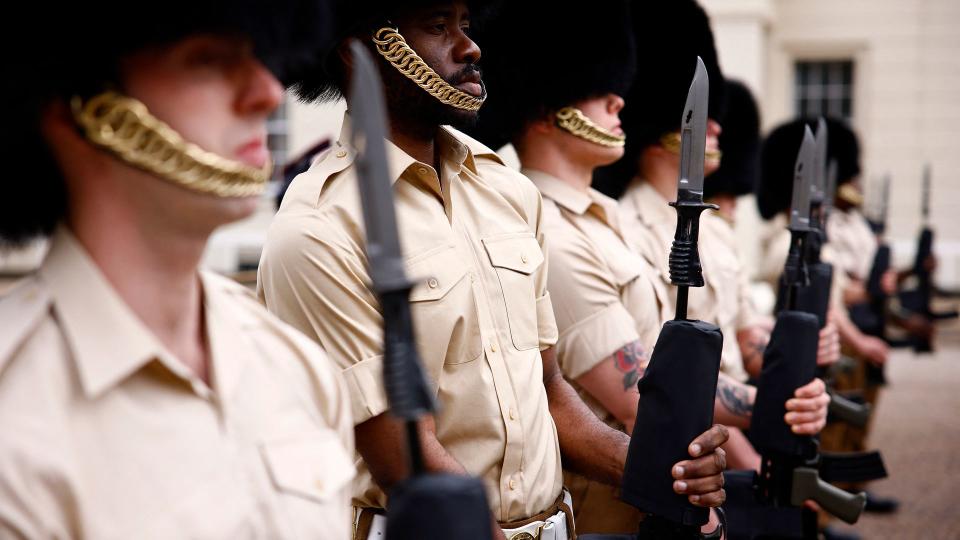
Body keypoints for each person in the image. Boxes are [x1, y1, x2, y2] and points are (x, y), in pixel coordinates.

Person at [257, 1, 729, 538]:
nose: (469, 47)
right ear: (359, 51)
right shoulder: (318, 228)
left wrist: (656, 468)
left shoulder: (507, 190)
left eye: (466, 25)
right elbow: (402, 456)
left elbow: (548, 390)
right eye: (438, 27)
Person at [470, 2, 831, 534]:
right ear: (545, 107)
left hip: (670, 486)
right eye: (597, 87)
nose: (620, 97)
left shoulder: (607, 220)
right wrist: (774, 403)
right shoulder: (553, 232)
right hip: (615, 507)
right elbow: (642, 391)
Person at [0, 2, 357, 538]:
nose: (267, 92)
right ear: (81, 106)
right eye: (209, 61)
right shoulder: (16, 420)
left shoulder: (297, 367)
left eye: (255, 56)